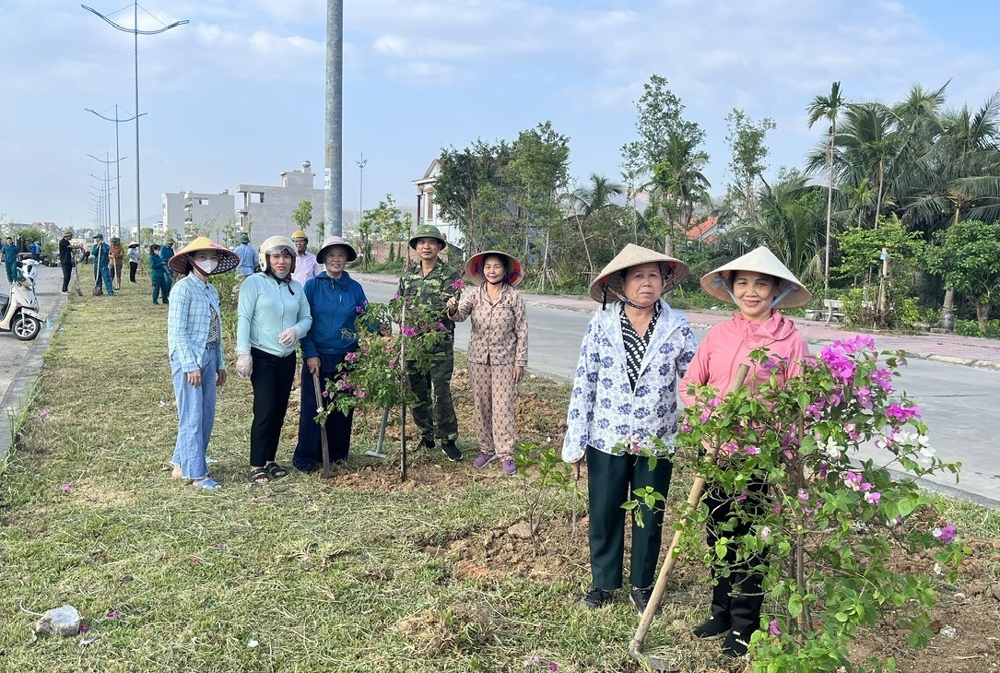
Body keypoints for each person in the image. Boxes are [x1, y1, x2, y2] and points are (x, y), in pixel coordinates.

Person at [679, 246, 811, 658]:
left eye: (761, 283)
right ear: (731, 288)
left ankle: (744, 624)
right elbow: (690, 386)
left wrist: (788, 457)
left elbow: (799, 404)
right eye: (743, 283)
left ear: (776, 290)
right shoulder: (719, 335)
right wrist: (708, 428)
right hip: (717, 452)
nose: (751, 291)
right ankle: (720, 610)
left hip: (761, 457)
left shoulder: (790, 341)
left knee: (753, 540)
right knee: (719, 533)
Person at [562, 243, 697, 616]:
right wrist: (575, 442)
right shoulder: (602, 325)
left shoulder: (676, 326)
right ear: (621, 284)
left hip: (656, 437)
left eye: (654, 275)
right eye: (638, 276)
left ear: (665, 281)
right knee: (604, 510)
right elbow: (584, 382)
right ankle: (604, 582)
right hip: (607, 434)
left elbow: (694, 380)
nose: (647, 283)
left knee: (649, 513)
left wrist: (714, 412)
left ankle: (642, 583)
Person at [235, 236, 312, 484]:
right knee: (265, 409)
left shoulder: (296, 288)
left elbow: (306, 318)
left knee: (279, 410)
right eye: (276, 256)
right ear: (266, 259)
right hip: (262, 355)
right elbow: (244, 318)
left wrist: (296, 331)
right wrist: (243, 353)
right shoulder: (254, 283)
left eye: (286, 256)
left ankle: (270, 459)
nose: (281, 261)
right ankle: (256, 463)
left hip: (286, 357)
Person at [166, 236, 241, 490]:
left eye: (212, 257)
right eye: (201, 257)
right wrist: (190, 365)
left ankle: (180, 462)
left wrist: (221, 363)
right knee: (192, 416)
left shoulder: (211, 290)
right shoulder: (182, 289)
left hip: (209, 354)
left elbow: (216, 330)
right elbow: (178, 332)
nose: (207, 262)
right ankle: (197, 475)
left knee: (205, 414)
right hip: (190, 358)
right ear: (190, 260)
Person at [446, 250, 528, 476]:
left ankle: (506, 453)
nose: (492, 271)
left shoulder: (513, 297)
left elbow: (522, 330)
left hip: (506, 360)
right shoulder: (473, 294)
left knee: (503, 407)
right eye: (488, 267)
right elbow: (459, 315)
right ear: (482, 271)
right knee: (482, 405)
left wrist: (520, 362)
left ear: (505, 271)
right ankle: (486, 449)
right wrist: (452, 307)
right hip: (478, 359)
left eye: (497, 267)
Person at [292, 236, 368, 472]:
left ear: (346, 260)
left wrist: (381, 326)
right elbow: (304, 322)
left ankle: (337, 455)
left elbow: (365, 315)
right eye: (332, 255)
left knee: (341, 408)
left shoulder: (354, 288)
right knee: (314, 407)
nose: (336, 259)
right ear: (324, 259)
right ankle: (307, 457)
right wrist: (310, 353)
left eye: (341, 255)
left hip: (346, 356)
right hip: (318, 356)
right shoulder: (313, 286)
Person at [397, 224, 463, 461]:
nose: (426, 246)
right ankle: (426, 435)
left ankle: (448, 439)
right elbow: (398, 305)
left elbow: (449, 306)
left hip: (439, 346)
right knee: (417, 392)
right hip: (413, 345)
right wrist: (398, 317)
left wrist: (450, 309)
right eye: (422, 242)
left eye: (431, 242)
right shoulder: (408, 276)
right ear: (415, 247)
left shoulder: (450, 275)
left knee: (441, 393)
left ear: (439, 247)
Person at [59, 230, 79, 295]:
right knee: (66, 275)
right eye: (70, 236)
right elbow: (71, 247)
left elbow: (72, 250)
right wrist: (79, 247)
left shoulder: (67, 242)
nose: (71, 238)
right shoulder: (63, 242)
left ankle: (66, 289)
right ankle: (64, 290)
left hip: (68, 260)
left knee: (69, 276)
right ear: (67, 236)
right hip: (64, 261)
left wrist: (75, 251)